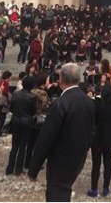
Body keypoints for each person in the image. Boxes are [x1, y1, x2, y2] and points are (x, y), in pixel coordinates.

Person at [27, 63, 96, 202]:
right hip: (78, 157)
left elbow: (46, 137)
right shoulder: (89, 102)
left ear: (61, 80)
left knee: (57, 193)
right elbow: (92, 131)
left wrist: (33, 169)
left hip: (60, 158)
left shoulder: (60, 103)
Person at [87, 84, 111, 198]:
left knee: (96, 165)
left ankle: (94, 189)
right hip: (110, 139)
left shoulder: (98, 107)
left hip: (98, 139)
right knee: (107, 164)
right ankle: (106, 188)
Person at [6, 76, 37, 176]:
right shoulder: (32, 97)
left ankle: (9, 168)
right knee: (23, 146)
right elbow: (33, 111)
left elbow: (11, 108)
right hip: (27, 122)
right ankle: (18, 169)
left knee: (14, 145)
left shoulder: (15, 94)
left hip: (16, 121)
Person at [25, 73, 52, 170]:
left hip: (30, 119)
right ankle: (34, 163)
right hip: (40, 120)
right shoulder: (42, 93)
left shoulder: (32, 91)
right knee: (37, 143)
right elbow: (45, 106)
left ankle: (27, 162)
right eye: (48, 79)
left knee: (30, 143)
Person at [0, 71, 12, 137]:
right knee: (2, 118)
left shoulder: (1, 82)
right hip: (2, 103)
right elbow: (5, 92)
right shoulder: (5, 83)